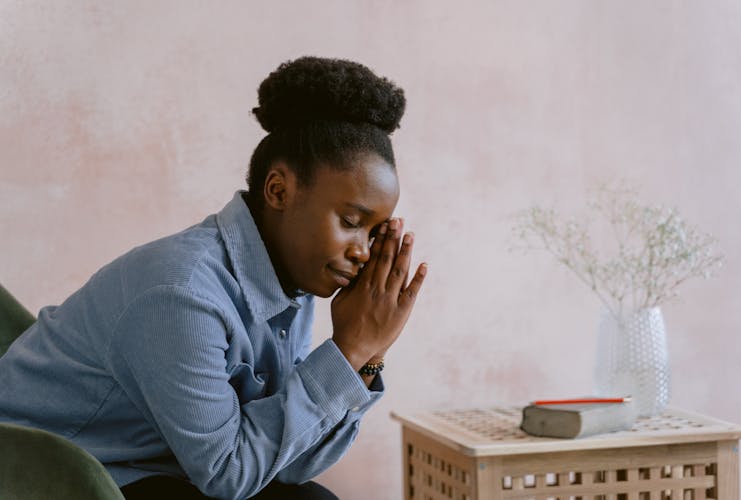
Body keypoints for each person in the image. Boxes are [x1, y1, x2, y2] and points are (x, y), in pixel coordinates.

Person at [0, 56, 427, 499]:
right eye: (351, 220)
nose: (362, 250)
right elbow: (228, 475)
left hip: (161, 466)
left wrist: (366, 356)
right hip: (53, 470)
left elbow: (286, 463)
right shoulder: (182, 294)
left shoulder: (292, 286)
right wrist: (349, 349)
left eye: (375, 232)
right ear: (279, 190)